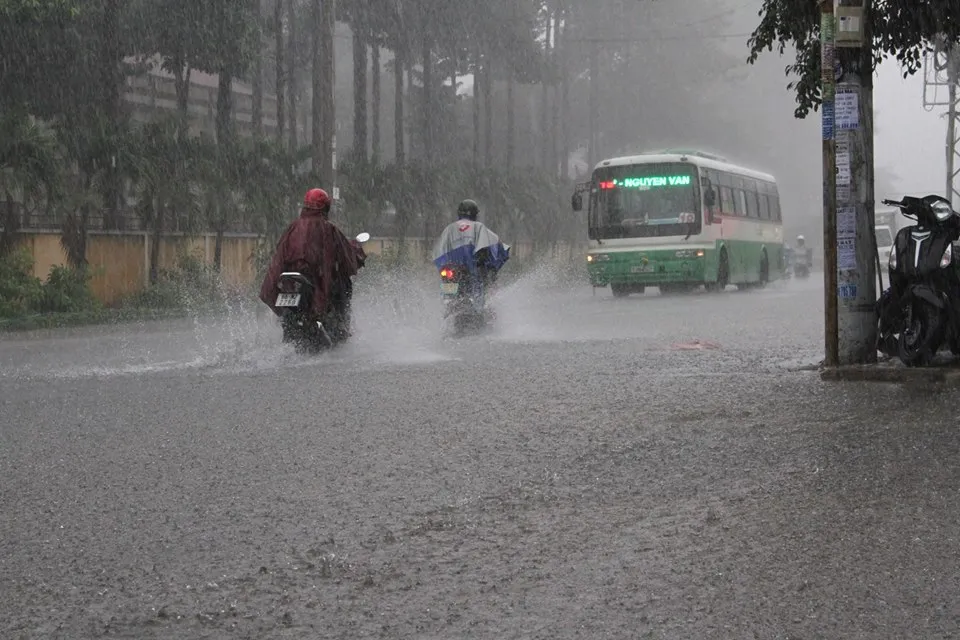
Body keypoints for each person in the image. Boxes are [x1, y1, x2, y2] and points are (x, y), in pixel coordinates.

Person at [259, 188, 364, 333]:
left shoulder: (293, 228)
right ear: (326, 207)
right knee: (343, 285)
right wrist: (357, 251)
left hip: (293, 285)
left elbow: (278, 257)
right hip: (317, 284)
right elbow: (347, 258)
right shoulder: (329, 229)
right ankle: (340, 329)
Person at [432, 199, 510, 287]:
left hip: (452, 268)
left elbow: (440, 247)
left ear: (459, 213)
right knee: (480, 283)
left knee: (447, 284)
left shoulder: (449, 228)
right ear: (475, 214)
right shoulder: (478, 226)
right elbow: (489, 242)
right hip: (471, 267)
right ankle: (477, 298)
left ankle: (448, 297)